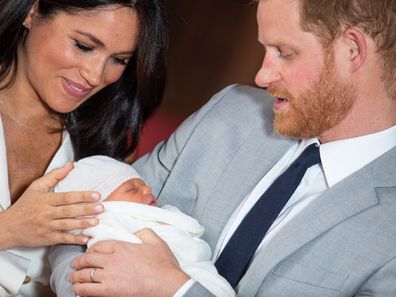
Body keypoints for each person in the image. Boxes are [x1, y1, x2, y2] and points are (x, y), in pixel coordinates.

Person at [51, 0, 396, 296]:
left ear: (352, 51)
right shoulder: (230, 111)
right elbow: (81, 222)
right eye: (265, 49)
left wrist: (176, 290)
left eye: (284, 52)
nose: (261, 77)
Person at [0, 0, 167, 296]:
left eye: (119, 59)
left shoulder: (105, 150)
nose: (95, 75)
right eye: (84, 45)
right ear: (32, 12)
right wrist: (9, 228)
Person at [52, 155, 235, 297]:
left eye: (144, 185)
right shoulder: (108, 222)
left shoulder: (163, 214)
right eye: (132, 189)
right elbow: (116, 260)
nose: (148, 189)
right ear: (98, 207)